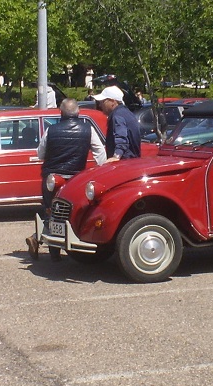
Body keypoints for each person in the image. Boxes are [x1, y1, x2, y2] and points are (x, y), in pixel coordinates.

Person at [26, 98, 106, 261]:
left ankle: (52, 251)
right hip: (75, 179)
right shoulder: (87, 129)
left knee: (51, 211)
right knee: (72, 212)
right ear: (78, 113)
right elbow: (100, 153)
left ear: (61, 112)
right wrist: (100, 171)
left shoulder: (51, 130)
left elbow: (40, 154)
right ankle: (64, 244)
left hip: (52, 178)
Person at [92, 86, 141, 161]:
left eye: (103, 101)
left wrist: (116, 156)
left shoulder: (117, 115)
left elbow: (121, 138)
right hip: (132, 162)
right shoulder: (127, 113)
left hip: (124, 164)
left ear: (113, 102)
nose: (100, 105)